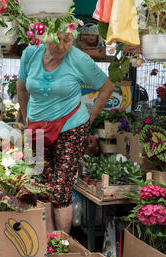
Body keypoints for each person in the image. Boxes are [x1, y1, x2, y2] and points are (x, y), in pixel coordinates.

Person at [16, 30, 115, 233]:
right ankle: (48, 241)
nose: (61, 45)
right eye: (56, 39)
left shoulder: (80, 59)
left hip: (70, 127)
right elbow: (22, 88)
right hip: (38, 127)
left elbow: (106, 87)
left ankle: (61, 241)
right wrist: (27, 119)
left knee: (61, 189)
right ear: (44, 37)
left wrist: (91, 118)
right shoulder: (30, 53)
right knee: (42, 186)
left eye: (67, 40)